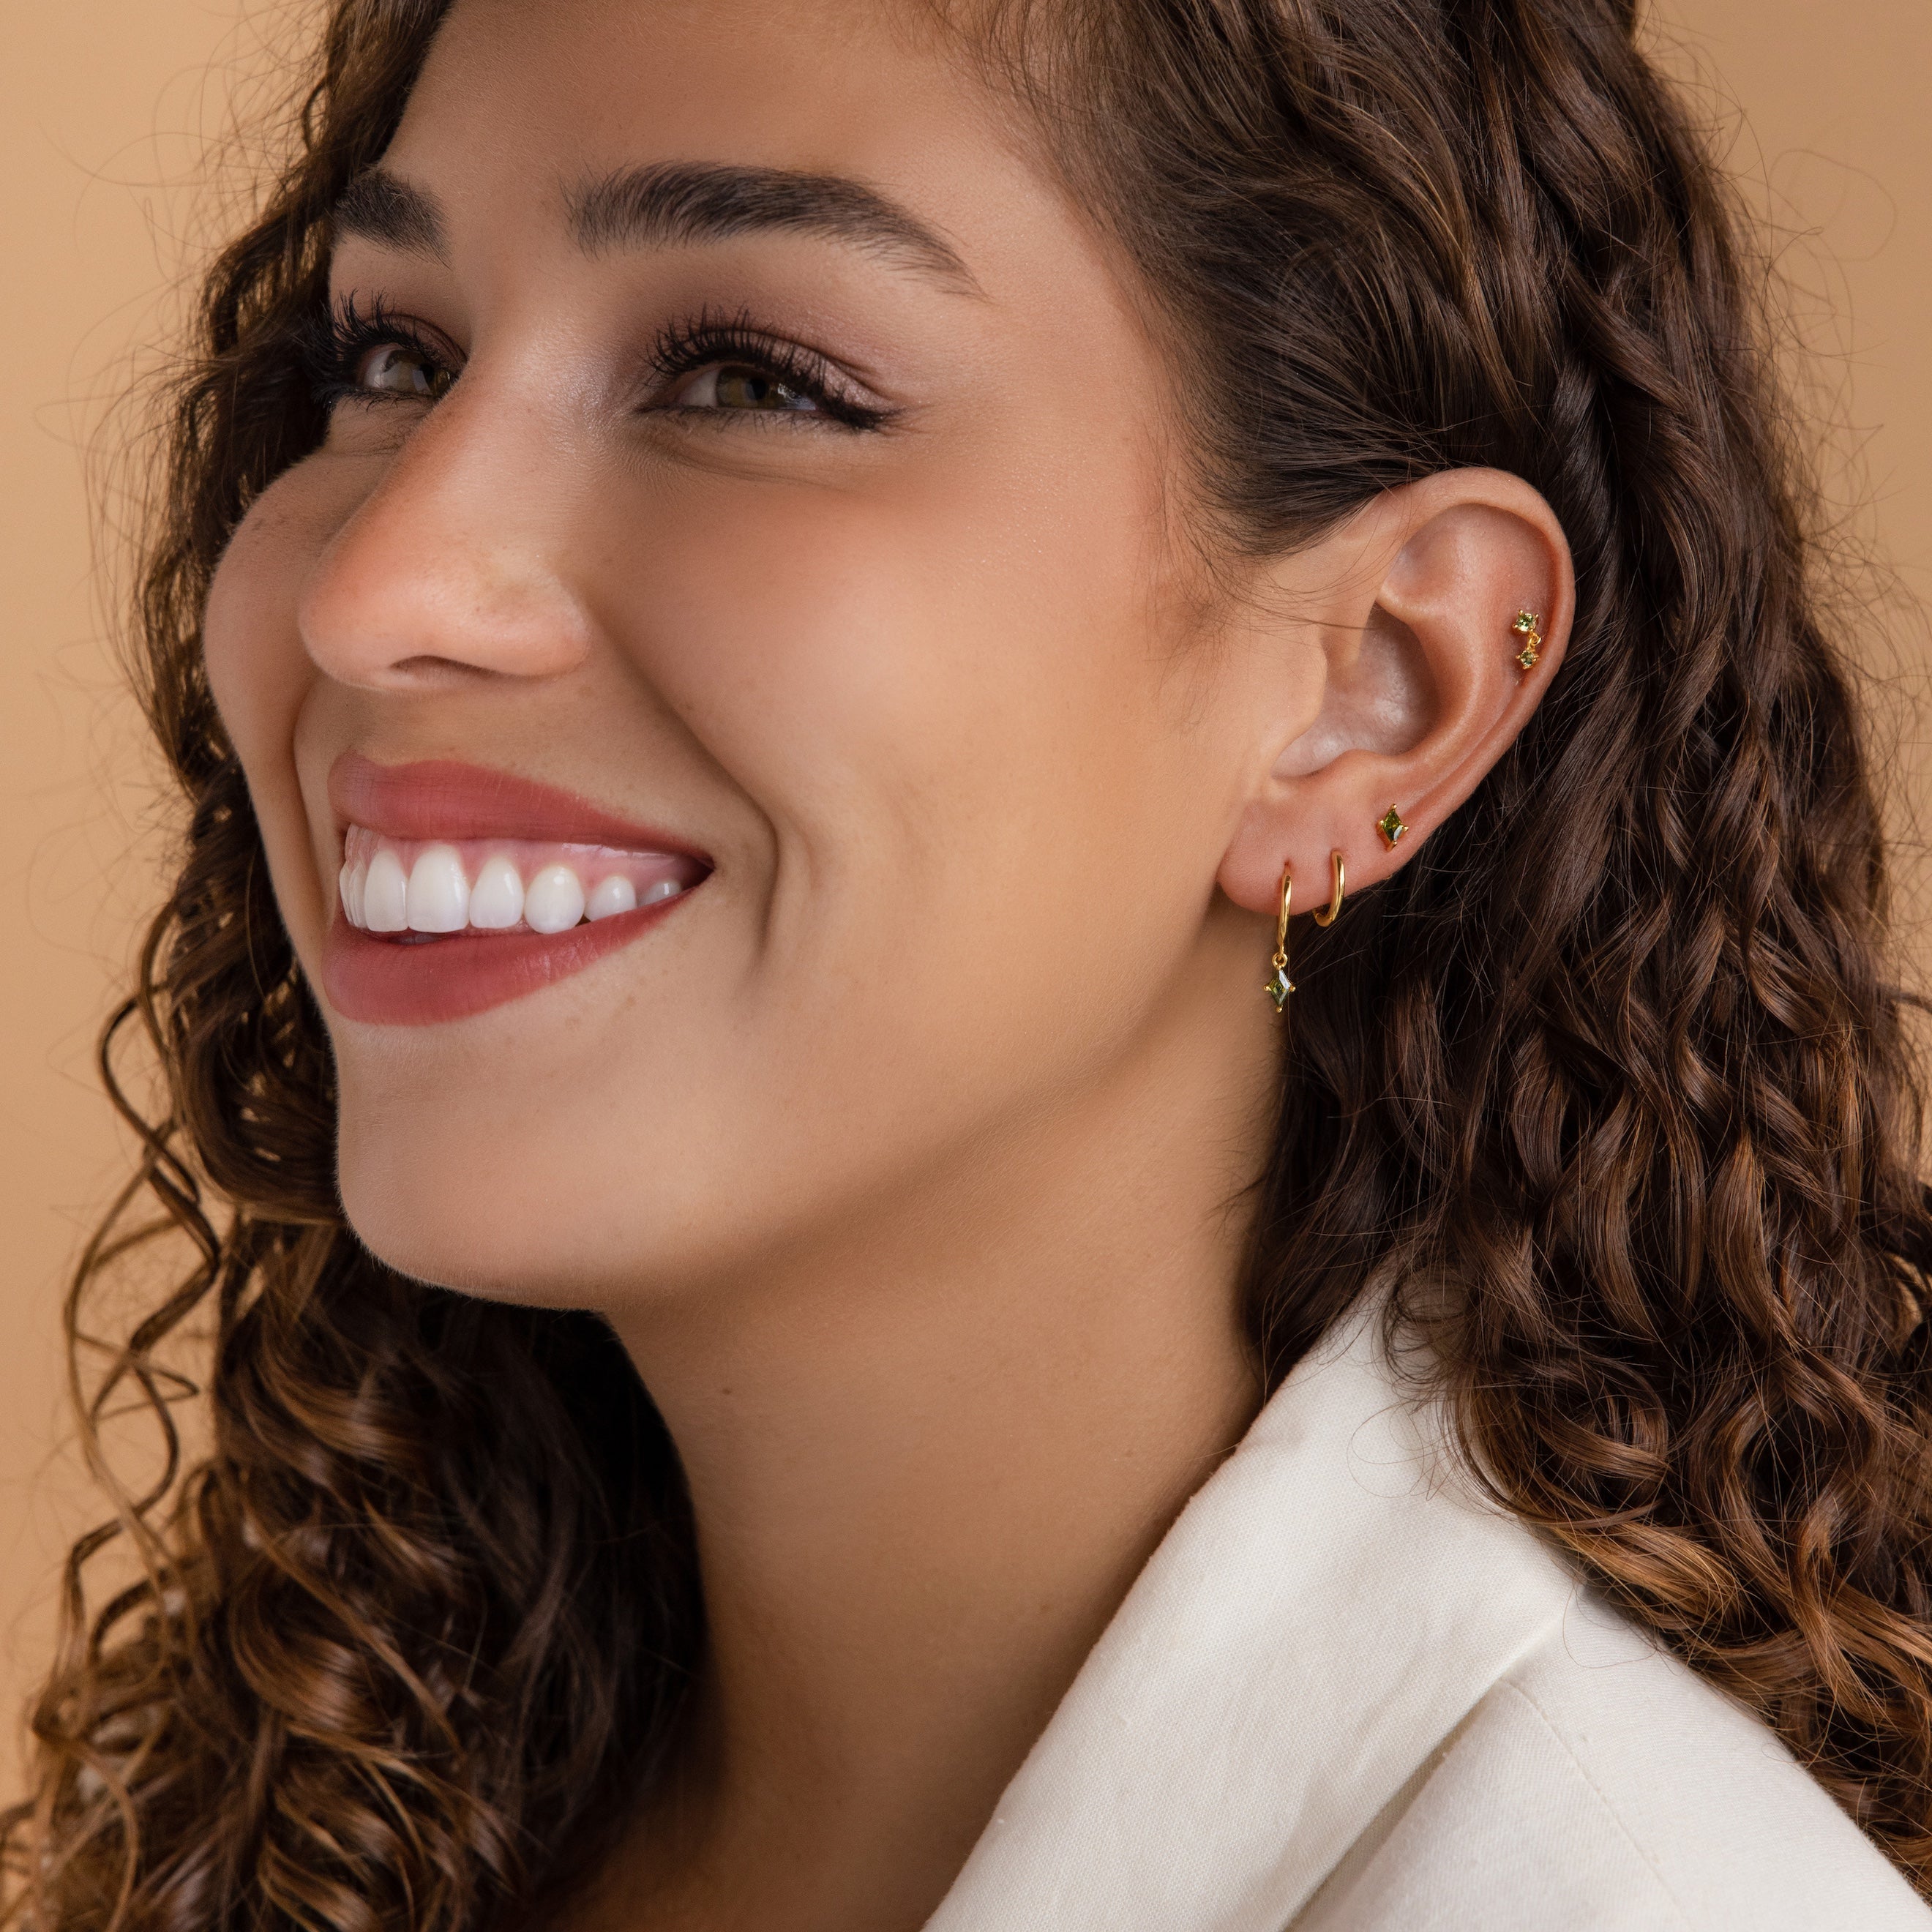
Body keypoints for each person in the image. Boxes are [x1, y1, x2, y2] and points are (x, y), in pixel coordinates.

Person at [7, 0, 1932, 1925]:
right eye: (394, 355)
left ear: (1373, 689)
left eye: (753, 379)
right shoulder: (302, 1797)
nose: (378, 588)